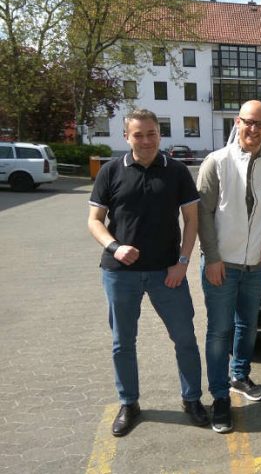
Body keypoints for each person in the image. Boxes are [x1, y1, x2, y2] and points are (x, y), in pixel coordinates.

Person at [87, 109, 208, 437]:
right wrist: (115, 247)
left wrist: (182, 263)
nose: (145, 140)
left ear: (160, 134)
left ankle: (192, 399)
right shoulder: (111, 172)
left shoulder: (177, 171)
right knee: (122, 342)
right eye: (138, 134)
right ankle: (129, 403)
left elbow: (192, 221)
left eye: (151, 133)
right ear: (126, 136)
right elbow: (94, 221)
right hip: (120, 273)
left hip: (166, 273)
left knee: (184, 338)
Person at [197, 100, 261, 433]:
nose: (253, 129)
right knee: (219, 331)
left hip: (255, 267)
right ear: (237, 122)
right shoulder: (215, 162)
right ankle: (220, 397)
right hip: (222, 264)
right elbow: (202, 213)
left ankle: (239, 376)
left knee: (248, 326)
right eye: (248, 122)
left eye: (260, 124)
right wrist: (213, 257)